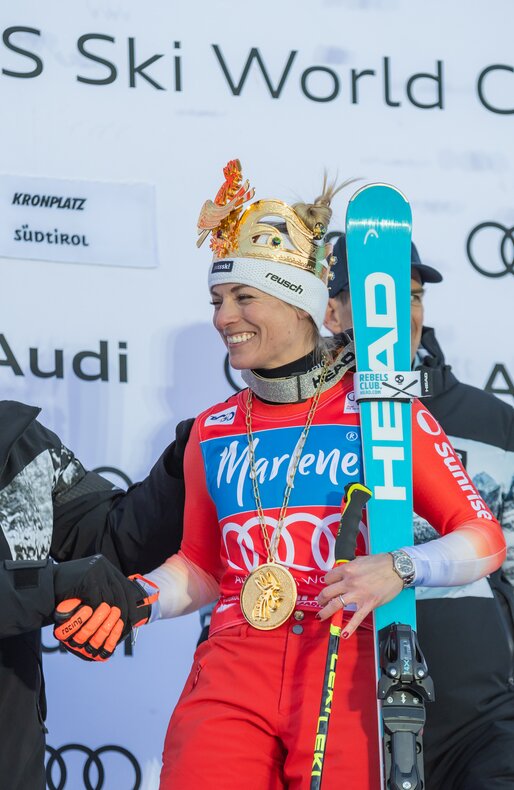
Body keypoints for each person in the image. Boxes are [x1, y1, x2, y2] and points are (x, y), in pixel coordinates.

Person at [65, 161, 506, 789]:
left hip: (344, 663)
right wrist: (138, 598)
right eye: (217, 300)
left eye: (245, 298)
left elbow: (483, 539)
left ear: (300, 303)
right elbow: (201, 567)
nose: (223, 318)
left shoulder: (380, 412)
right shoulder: (211, 430)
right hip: (231, 668)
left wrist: (402, 566)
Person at [325, 233, 514, 789]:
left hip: (478, 710)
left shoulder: (491, 421)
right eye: (377, 297)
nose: (400, 314)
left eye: (410, 296)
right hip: (343, 701)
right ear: (333, 310)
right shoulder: (302, 419)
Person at [0, 399, 192, 790]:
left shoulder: (19, 439)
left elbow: (108, 542)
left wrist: (183, 462)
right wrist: (52, 586)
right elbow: (61, 580)